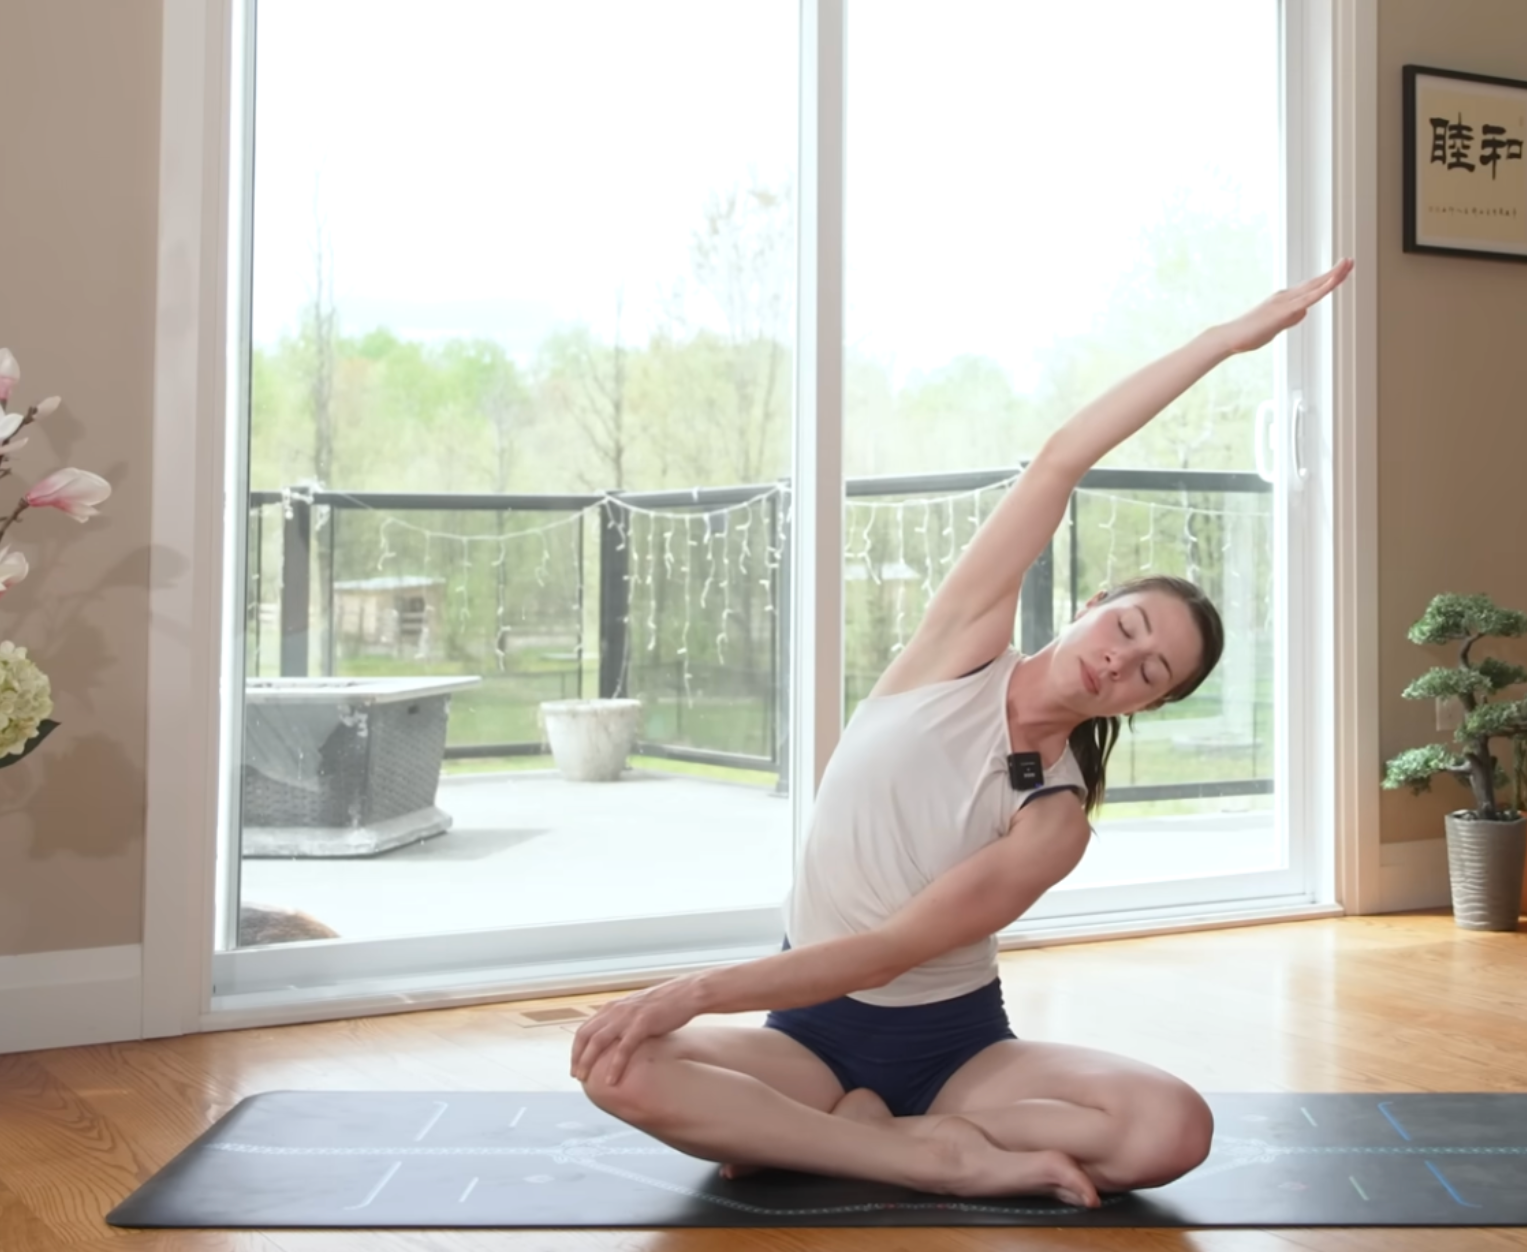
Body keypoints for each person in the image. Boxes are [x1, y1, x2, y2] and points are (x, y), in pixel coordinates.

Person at [571, 258, 1354, 1207]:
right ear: (1093, 605)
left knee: (1172, 1126)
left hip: (954, 1054)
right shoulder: (958, 648)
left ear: (1143, 708)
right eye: (1127, 627)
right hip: (806, 1038)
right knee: (617, 1065)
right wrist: (1225, 342)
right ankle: (910, 1152)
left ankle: (853, 1137)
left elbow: (890, 951)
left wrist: (691, 991)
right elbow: (1062, 458)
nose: (1121, 660)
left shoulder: (1055, 819)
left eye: (1151, 672)